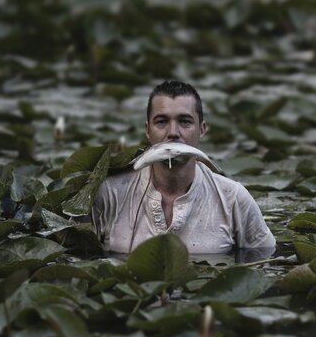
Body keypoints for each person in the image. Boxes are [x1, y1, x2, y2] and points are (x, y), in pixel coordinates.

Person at [91, 80, 276, 255]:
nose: (173, 133)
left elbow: (263, 262)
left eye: (185, 121)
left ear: (202, 129)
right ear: (147, 130)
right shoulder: (108, 193)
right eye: (161, 121)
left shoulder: (234, 198)